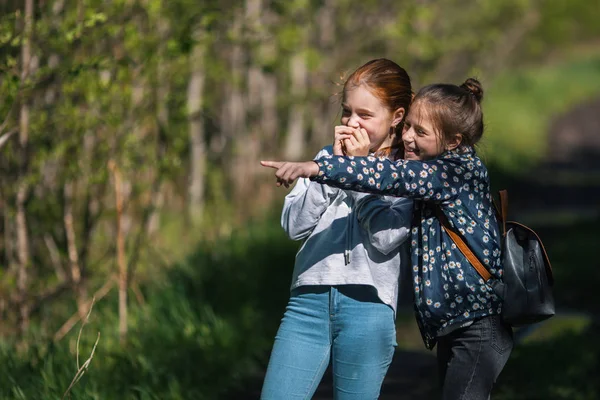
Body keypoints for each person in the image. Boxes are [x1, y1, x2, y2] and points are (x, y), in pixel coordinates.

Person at [262, 78, 514, 399]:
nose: (408, 137)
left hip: (477, 323)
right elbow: (296, 225)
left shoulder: (450, 172)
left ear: (454, 141)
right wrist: (333, 163)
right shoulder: (423, 172)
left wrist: (319, 167)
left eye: (420, 132)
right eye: (409, 127)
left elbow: (390, 182)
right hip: (455, 323)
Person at [260, 58, 414, 400]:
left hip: (368, 306)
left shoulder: (406, 172)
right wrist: (331, 169)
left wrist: (358, 172)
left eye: (365, 115)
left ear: (397, 117)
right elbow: (293, 226)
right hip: (306, 303)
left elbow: (386, 238)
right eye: (347, 112)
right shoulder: (324, 159)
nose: (351, 123)